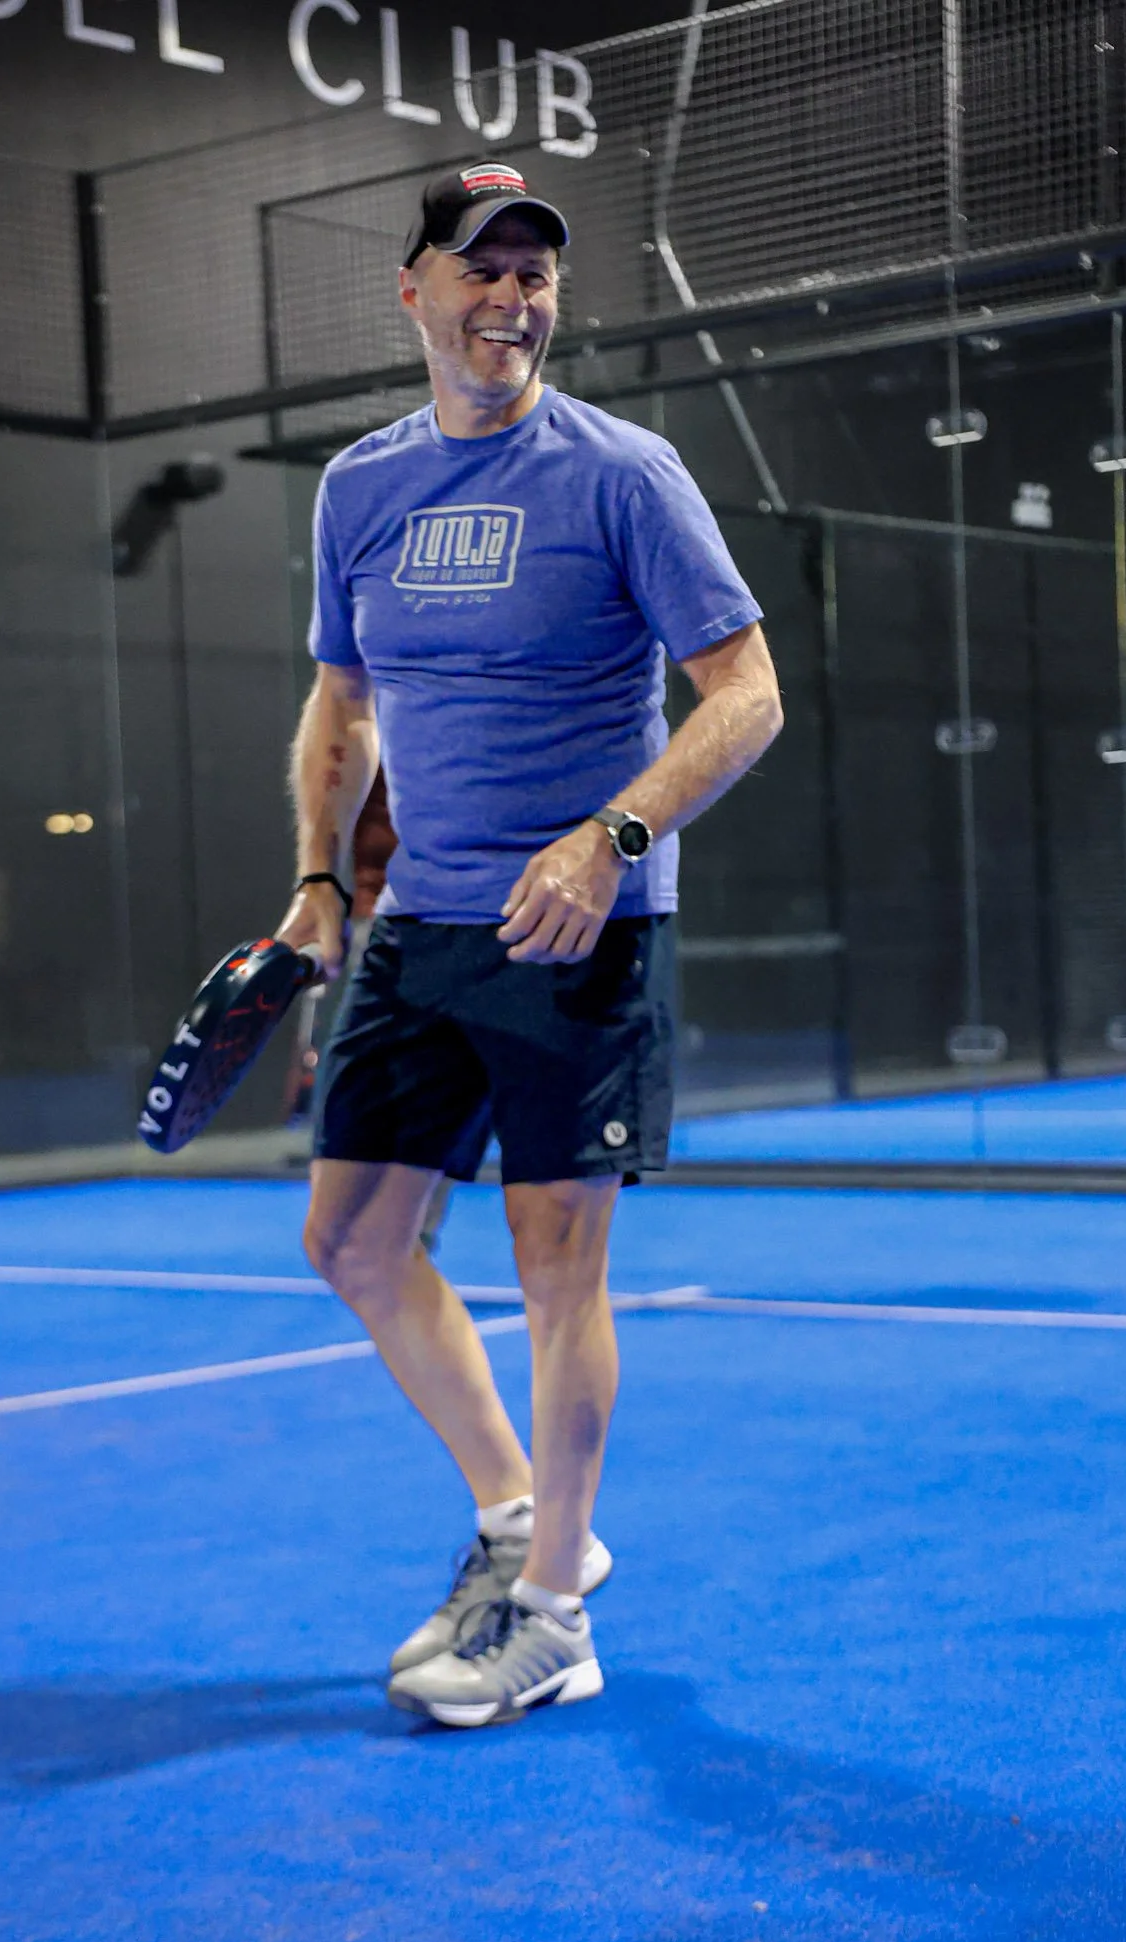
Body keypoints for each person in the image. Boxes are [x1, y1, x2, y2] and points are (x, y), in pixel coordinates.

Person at [275, 161, 782, 1728]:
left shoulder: (626, 475)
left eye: (534, 275)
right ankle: (517, 1514)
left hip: (584, 928)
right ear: (415, 291)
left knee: (557, 1263)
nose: (510, 299)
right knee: (353, 1242)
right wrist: (318, 880)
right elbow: (343, 703)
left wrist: (609, 839)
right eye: (479, 270)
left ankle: (555, 1612)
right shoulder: (358, 488)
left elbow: (749, 695)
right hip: (422, 925)